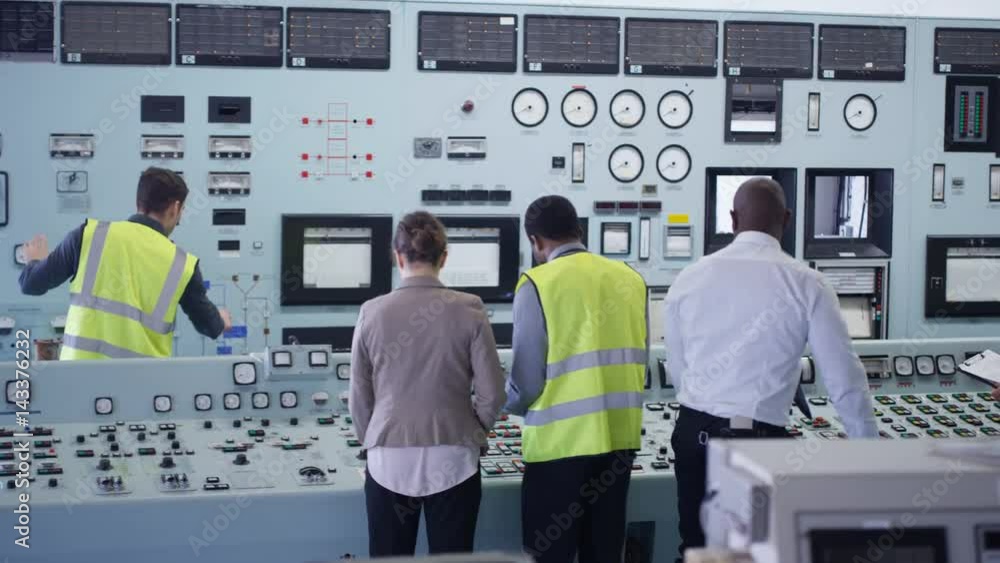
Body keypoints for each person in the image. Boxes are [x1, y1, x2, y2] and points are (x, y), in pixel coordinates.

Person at [664, 177, 879, 562]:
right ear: (788, 219)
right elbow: (843, 378)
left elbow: (679, 368)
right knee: (757, 553)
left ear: (733, 219)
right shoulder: (807, 283)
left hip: (692, 433)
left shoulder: (688, 277)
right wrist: (870, 454)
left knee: (697, 551)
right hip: (757, 442)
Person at [350, 211, 506, 556]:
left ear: (397, 256)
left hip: (387, 457)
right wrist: (473, 432)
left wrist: (371, 439)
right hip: (454, 456)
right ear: (444, 257)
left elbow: (359, 398)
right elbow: (493, 394)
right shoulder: (471, 308)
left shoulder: (371, 311)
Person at [505, 195, 648, 563]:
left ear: (534, 241)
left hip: (559, 449)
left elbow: (526, 383)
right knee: (604, 553)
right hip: (619, 443)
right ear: (580, 231)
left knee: (549, 555)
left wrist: (494, 403)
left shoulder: (536, 283)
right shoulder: (631, 279)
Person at [18, 167, 230, 359]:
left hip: (79, 380)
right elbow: (210, 326)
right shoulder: (182, 264)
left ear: (139, 202)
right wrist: (220, 319)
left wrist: (35, 259)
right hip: (144, 388)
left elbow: (31, 284)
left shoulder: (88, 236)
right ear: (175, 208)